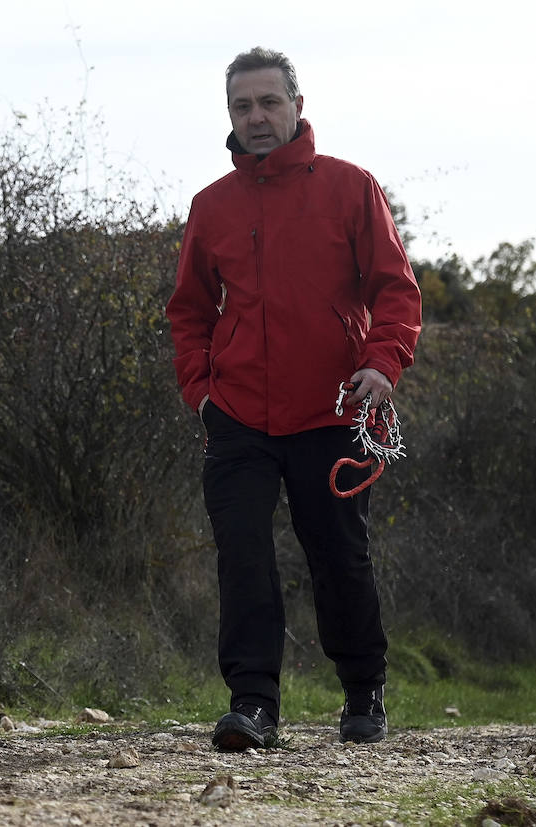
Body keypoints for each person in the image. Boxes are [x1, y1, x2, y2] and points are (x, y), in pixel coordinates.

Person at [166, 48, 421, 750]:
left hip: (334, 410)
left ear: (297, 106)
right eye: (242, 106)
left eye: (268, 102)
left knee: (339, 556)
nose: (256, 117)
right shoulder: (210, 206)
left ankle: (363, 690)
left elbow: (396, 291)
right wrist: (202, 392)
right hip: (238, 416)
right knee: (242, 554)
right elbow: (188, 311)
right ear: (230, 116)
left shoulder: (349, 187)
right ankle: (253, 705)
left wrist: (383, 363)